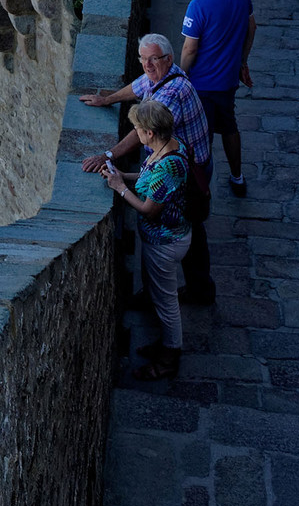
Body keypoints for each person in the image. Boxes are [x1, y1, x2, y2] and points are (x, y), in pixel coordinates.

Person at [81, 31, 215, 305]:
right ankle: (175, 288)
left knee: (187, 226)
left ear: (168, 58)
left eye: (153, 60)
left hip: (189, 170)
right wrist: (108, 100)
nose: (147, 65)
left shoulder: (171, 92)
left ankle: (193, 290)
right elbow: (138, 86)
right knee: (187, 225)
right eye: (143, 59)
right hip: (181, 163)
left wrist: (108, 154)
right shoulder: (162, 74)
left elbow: (145, 129)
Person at [97, 97, 191, 379]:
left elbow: (150, 210)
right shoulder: (168, 147)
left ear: (149, 133)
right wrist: (123, 175)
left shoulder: (168, 166)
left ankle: (169, 356)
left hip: (165, 243)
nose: (135, 133)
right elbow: (150, 176)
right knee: (159, 295)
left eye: (137, 129)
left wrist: (118, 188)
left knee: (166, 303)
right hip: (166, 239)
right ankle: (165, 345)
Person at [179, 0, 255, 199]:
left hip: (202, 84)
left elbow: (190, 48)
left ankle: (201, 190)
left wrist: (181, 75)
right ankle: (237, 177)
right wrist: (242, 62)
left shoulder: (198, 6)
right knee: (230, 128)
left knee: (202, 138)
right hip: (228, 81)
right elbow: (251, 27)